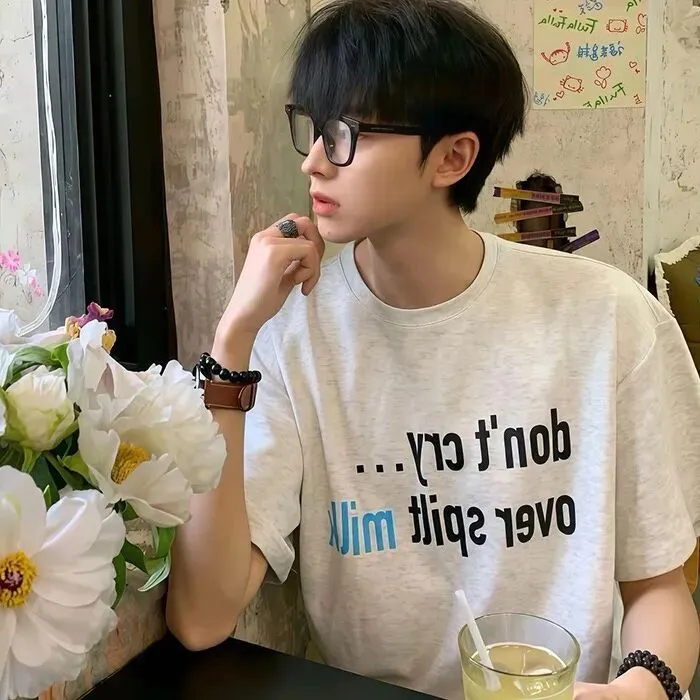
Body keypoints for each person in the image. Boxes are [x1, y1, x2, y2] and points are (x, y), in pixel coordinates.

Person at [165, 1, 700, 698]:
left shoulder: (609, 320)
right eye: (314, 128)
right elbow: (200, 617)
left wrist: (643, 688)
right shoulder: (290, 336)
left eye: (346, 133)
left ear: (453, 157)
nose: (314, 159)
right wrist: (232, 340)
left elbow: (661, 585)